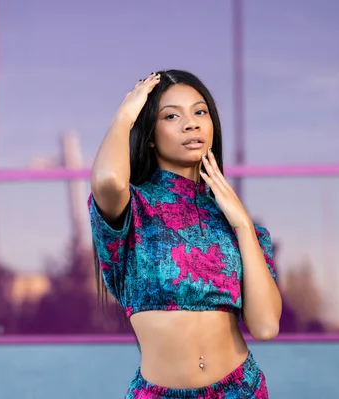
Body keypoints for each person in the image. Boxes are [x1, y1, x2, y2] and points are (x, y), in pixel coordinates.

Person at [88, 70, 281, 398]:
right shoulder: (135, 208)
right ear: (150, 134)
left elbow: (265, 326)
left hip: (241, 390)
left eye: (199, 112)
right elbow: (107, 181)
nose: (190, 123)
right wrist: (124, 117)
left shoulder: (241, 227)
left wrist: (243, 227)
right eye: (171, 116)